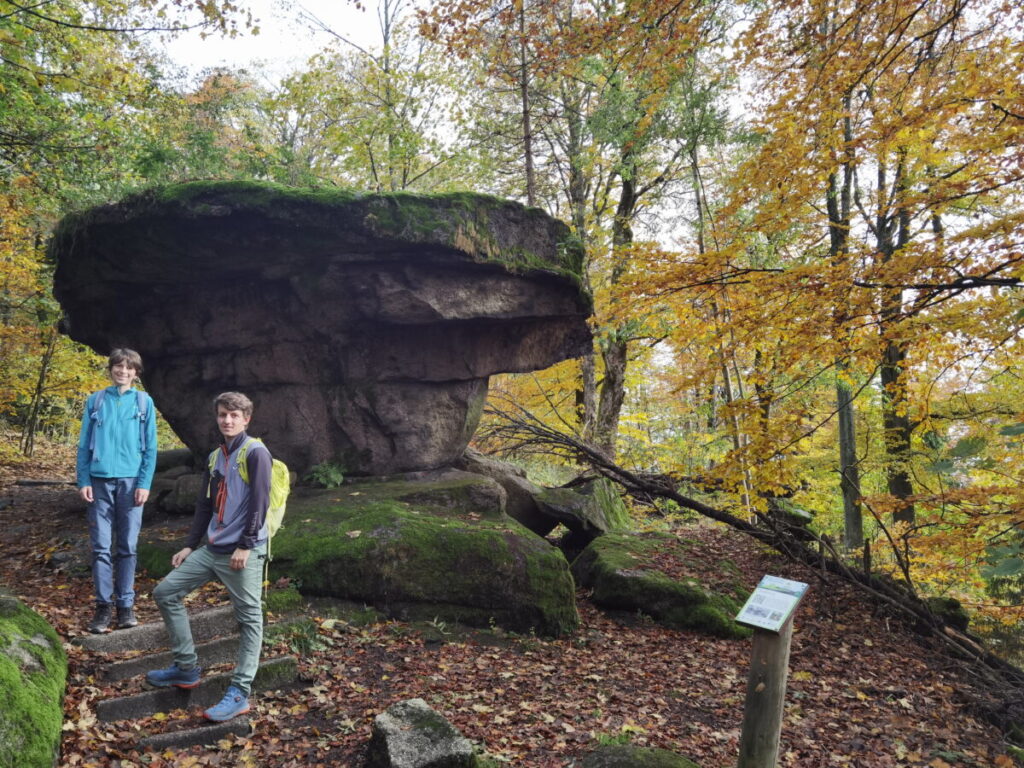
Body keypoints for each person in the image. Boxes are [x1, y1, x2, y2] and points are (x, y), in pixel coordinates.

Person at [146, 391, 270, 723]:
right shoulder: (215, 457)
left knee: (249, 620)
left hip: (243, 552)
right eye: (222, 415)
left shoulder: (256, 453)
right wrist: (189, 544)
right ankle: (186, 668)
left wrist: (246, 544)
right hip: (212, 548)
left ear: (246, 418)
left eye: (234, 415)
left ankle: (239, 692)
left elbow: (260, 502)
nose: (227, 420)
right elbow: (204, 504)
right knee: (166, 592)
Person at [77, 348, 157, 634]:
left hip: (131, 483)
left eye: (128, 367)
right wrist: (83, 479)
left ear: (136, 372)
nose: (122, 371)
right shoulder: (95, 401)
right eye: (118, 366)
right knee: (100, 547)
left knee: (127, 547)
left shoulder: (144, 402)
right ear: (111, 369)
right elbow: (84, 443)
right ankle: (102, 608)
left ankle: (125, 607)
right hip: (98, 482)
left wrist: (144, 484)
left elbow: (150, 449)